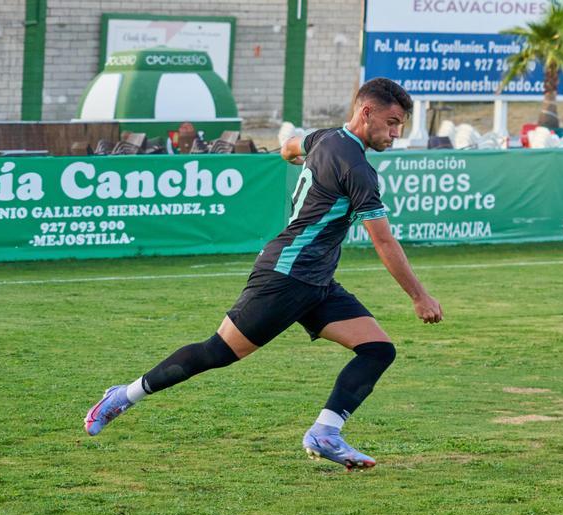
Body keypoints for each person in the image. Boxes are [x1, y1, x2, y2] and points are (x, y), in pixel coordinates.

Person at [84, 78, 443, 471]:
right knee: (216, 352)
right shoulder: (357, 167)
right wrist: (419, 297)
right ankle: (123, 395)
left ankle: (325, 433)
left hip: (316, 281)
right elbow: (384, 243)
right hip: (287, 276)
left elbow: (291, 147)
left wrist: (292, 154)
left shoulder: (325, 138)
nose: (395, 134)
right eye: (391, 123)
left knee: (377, 349)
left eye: (401, 126)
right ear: (366, 111)